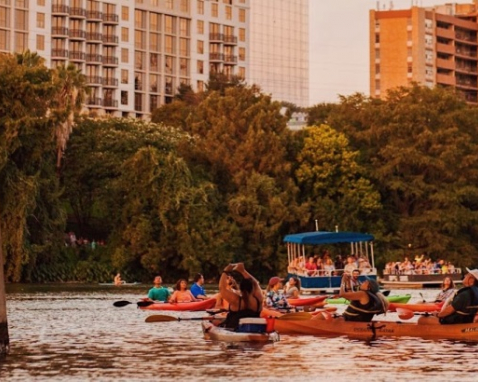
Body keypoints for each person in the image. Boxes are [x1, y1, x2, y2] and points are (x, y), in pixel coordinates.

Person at [219, 262, 263, 330]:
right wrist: (243, 271)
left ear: (241, 288)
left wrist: (225, 271)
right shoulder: (258, 299)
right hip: (254, 330)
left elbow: (222, 288)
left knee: (215, 322)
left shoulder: (236, 300)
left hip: (234, 331)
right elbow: (256, 283)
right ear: (252, 288)